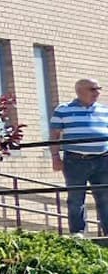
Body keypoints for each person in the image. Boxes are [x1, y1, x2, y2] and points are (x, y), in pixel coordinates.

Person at [51, 77, 108, 237]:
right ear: (80, 91)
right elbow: (54, 135)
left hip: (103, 160)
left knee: (105, 198)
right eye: (93, 89)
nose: (97, 93)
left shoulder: (104, 110)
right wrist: (55, 156)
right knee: (76, 199)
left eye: (98, 89)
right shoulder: (63, 110)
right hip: (75, 161)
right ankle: (78, 233)